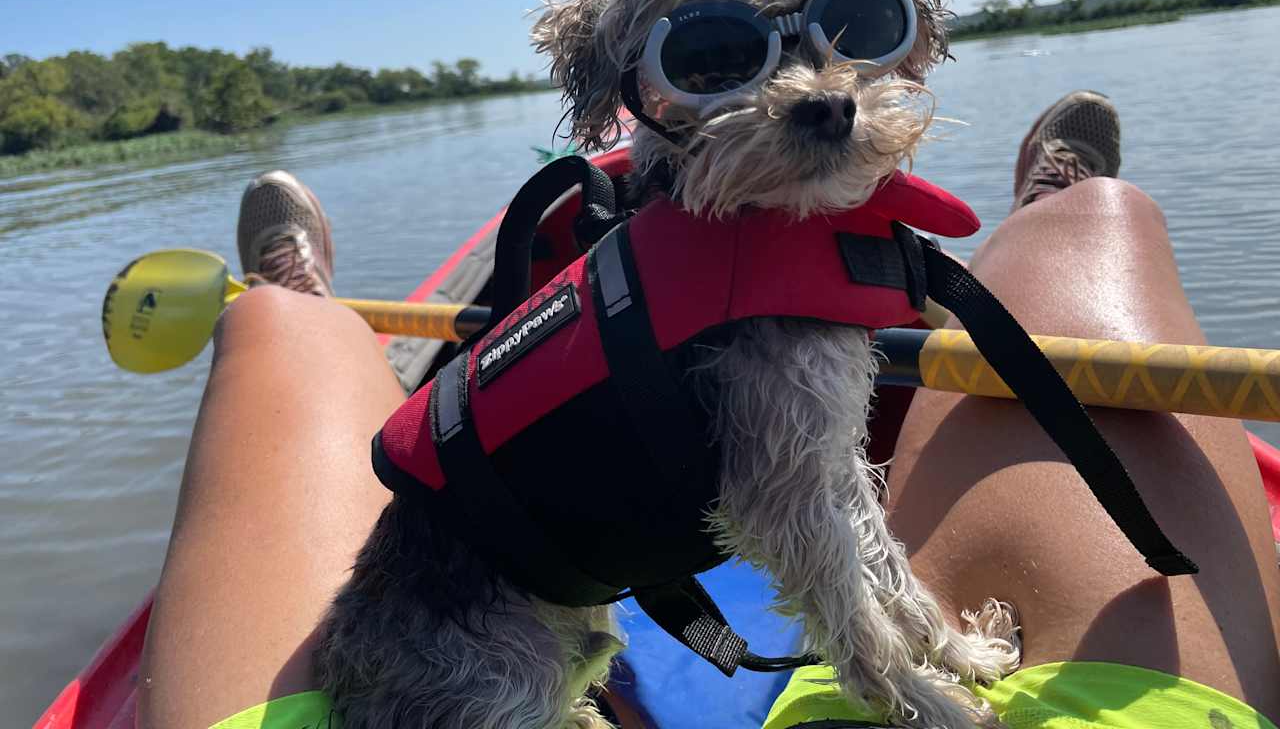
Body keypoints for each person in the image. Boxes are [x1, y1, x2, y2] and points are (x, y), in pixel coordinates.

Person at [136, 93, 1280, 729]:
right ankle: (1058, 207)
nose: (820, 89)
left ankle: (295, 305)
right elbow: (807, 520)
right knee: (1103, 229)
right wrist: (913, 684)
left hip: (438, 646)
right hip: (482, 659)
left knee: (274, 338)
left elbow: (825, 501)